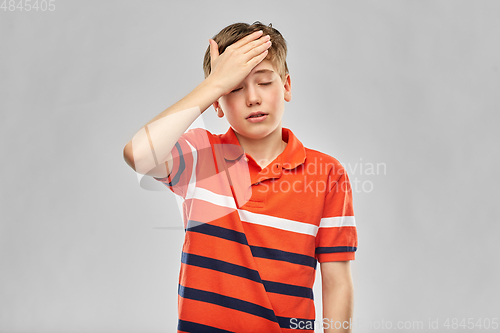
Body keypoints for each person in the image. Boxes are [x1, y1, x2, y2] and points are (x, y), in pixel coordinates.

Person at [123, 21, 357, 333]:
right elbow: (138, 154)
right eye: (235, 87)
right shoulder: (199, 156)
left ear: (286, 86)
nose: (253, 98)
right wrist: (213, 84)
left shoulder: (327, 174)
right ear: (217, 104)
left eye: (264, 83)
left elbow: (337, 281)